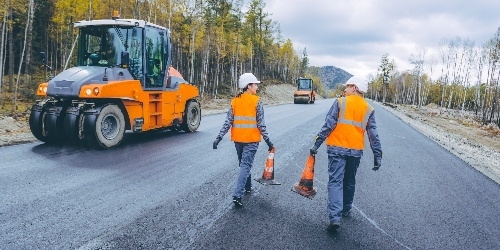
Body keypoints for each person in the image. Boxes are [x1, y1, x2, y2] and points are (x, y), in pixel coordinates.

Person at [309, 76, 382, 232]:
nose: (345, 89)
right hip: (355, 151)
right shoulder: (368, 109)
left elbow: (328, 125)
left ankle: (335, 218)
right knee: (349, 180)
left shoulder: (341, 102)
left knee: (335, 182)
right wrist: (377, 155)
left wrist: (316, 144)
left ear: (354, 88)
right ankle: (346, 209)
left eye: (348, 87)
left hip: (336, 148)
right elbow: (373, 133)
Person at [213, 73, 274, 207]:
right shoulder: (257, 101)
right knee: (245, 165)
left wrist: (219, 137)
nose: (257, 87)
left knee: (243, 165)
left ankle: (248, 186)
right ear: (248, 86)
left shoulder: (235, 101)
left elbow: (228, 122)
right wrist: (268, 141)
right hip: (251, 140)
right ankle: (237, 195)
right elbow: (261, 124)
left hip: (238, 140)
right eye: (255, 85)